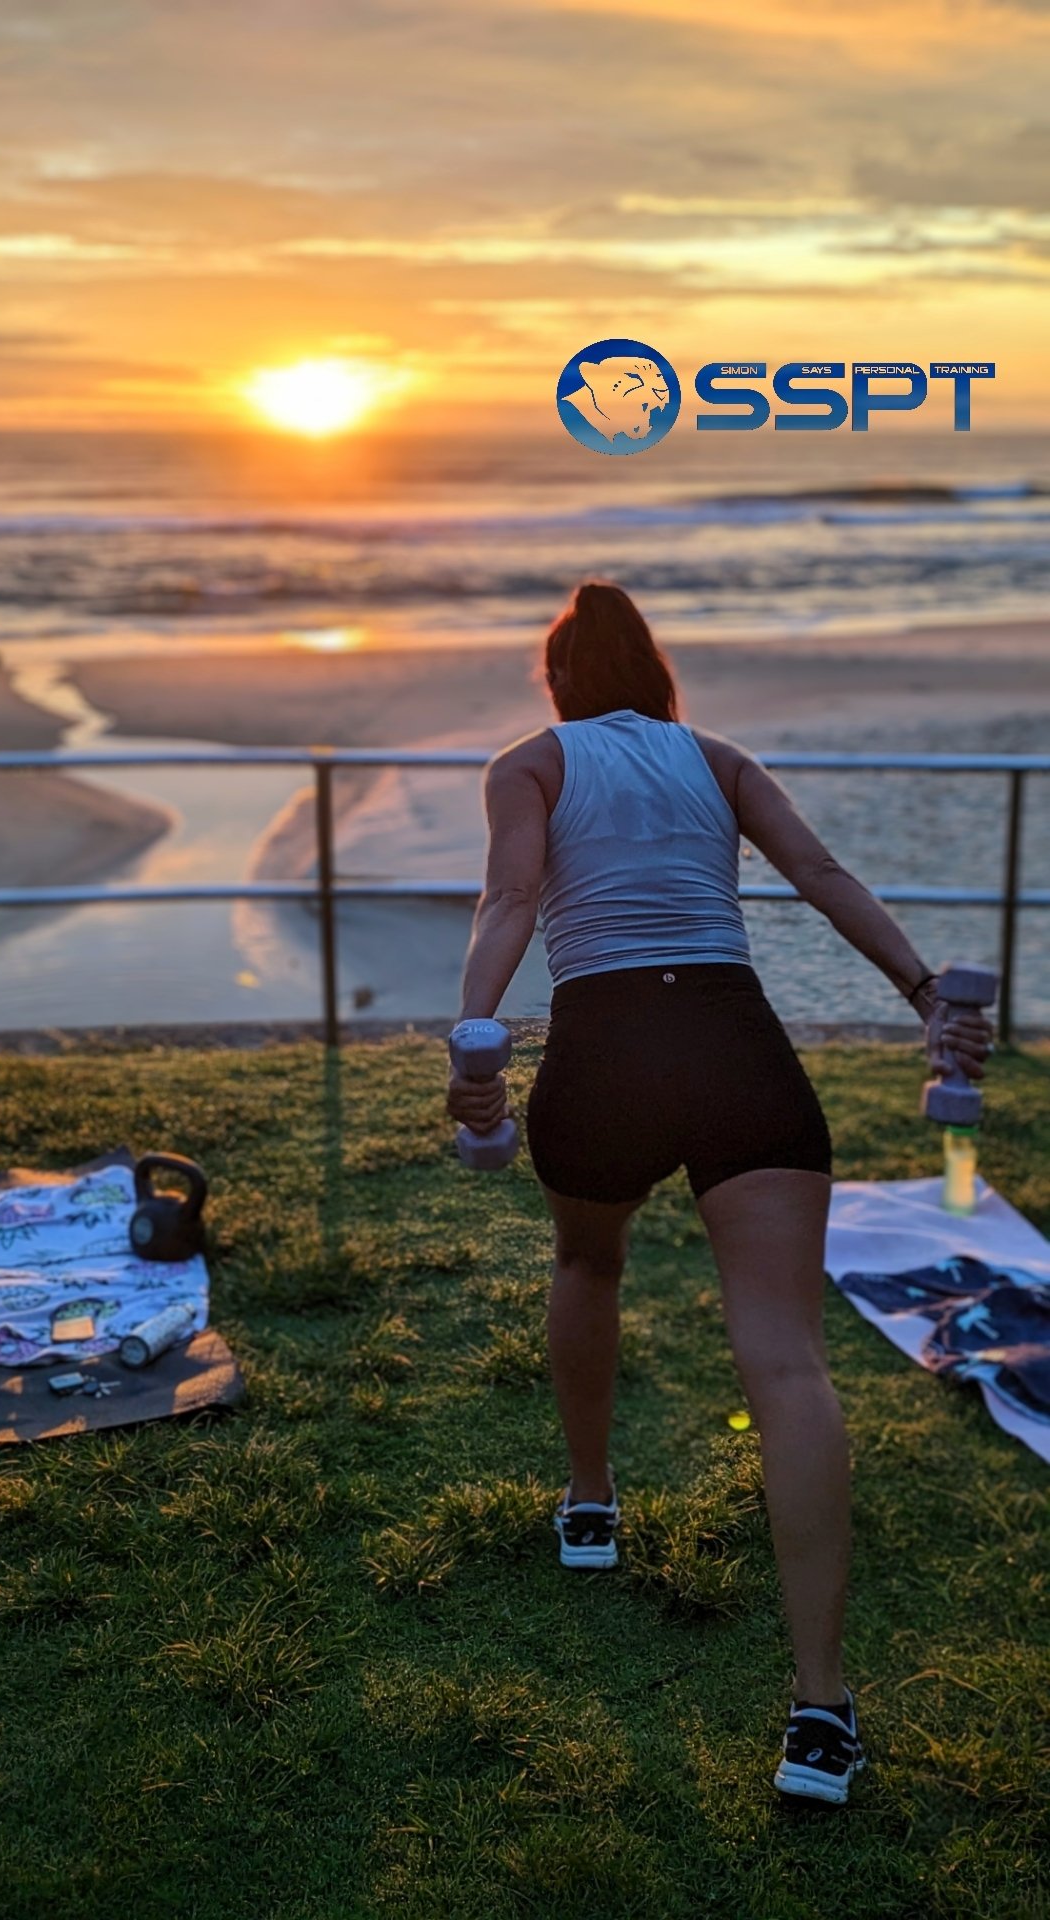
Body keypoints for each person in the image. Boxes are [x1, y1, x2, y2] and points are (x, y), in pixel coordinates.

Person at [445, 578, 993, 1806]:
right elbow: (823, 873)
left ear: (559, 681)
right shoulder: (720, 759)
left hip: (605, 1053)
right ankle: (822, 1710)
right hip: (737, 1047)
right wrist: (924, 996)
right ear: (656, 672)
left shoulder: (529, 763)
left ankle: (592, 1504)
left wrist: (473, 1043)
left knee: (589, 1262)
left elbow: (512, 898)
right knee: (787, 1364)